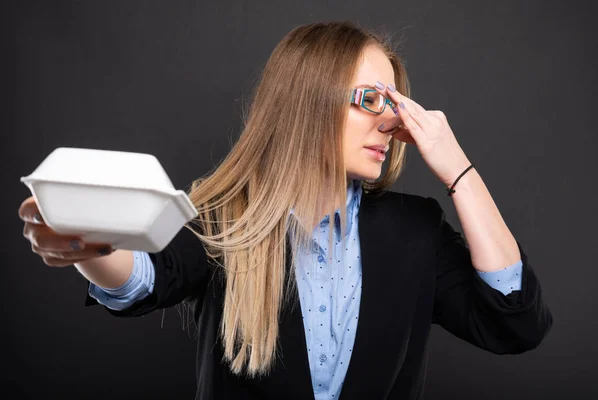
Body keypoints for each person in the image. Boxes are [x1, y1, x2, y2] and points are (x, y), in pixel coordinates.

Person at [19, 20, 552, 400]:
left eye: (394, 104)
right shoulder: (228, 215)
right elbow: (145, 275)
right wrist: (85, 246)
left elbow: (514, 322)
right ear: (308, 101)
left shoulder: (416, 231)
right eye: (370, 100)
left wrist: (458, 169)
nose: (389, 123)